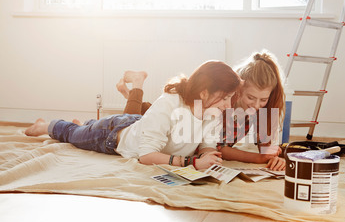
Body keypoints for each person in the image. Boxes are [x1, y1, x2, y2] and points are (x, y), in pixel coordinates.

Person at [25, 61, 241, 170]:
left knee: (85, 129)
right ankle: (45, 126)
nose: (228, 104)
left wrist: (208, 155)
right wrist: (192, 163)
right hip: (112, 134)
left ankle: (84, 125)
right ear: (204, 93)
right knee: (74, 135)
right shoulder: (170, 104)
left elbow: (207, 144)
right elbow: (146, 156)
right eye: (224, 97)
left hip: (140, 126)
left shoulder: (213, 112)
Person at [116, 51, 286, 171]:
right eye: (250, 98)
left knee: (141, 117)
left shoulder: (263, 108)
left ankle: (130, 94)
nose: (256, 105)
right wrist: (259, 158)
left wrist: (272, 157)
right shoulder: (222, 102)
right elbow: (221, 147)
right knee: (131, 120)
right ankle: (136, 86)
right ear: (239, 91)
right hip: (155, 127)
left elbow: (267, 149)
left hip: (174, 128)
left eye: (263, 100)